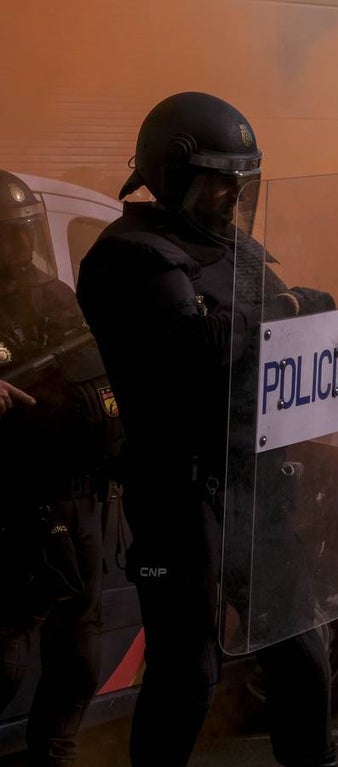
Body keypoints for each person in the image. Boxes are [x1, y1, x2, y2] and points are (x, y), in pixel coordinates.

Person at [76, 92, 338, 767]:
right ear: (173, 173)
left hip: (257, 479)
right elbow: (196, 348)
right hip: (181, 491)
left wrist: (309, 311)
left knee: (302, 652)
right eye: (221, 179)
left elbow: (265, 324)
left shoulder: (233, 248)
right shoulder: (129, 255)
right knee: (188, 672)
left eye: (241, 181)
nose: (234, 195)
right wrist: (277, 309)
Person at [0, 169, 114, 766]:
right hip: (14, 498)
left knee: (77, 649)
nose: (17, 247)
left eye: (23, 233)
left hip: (80, 491)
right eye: (5, 236)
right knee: (6, 649)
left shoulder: (57, 297)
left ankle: (54, 755)